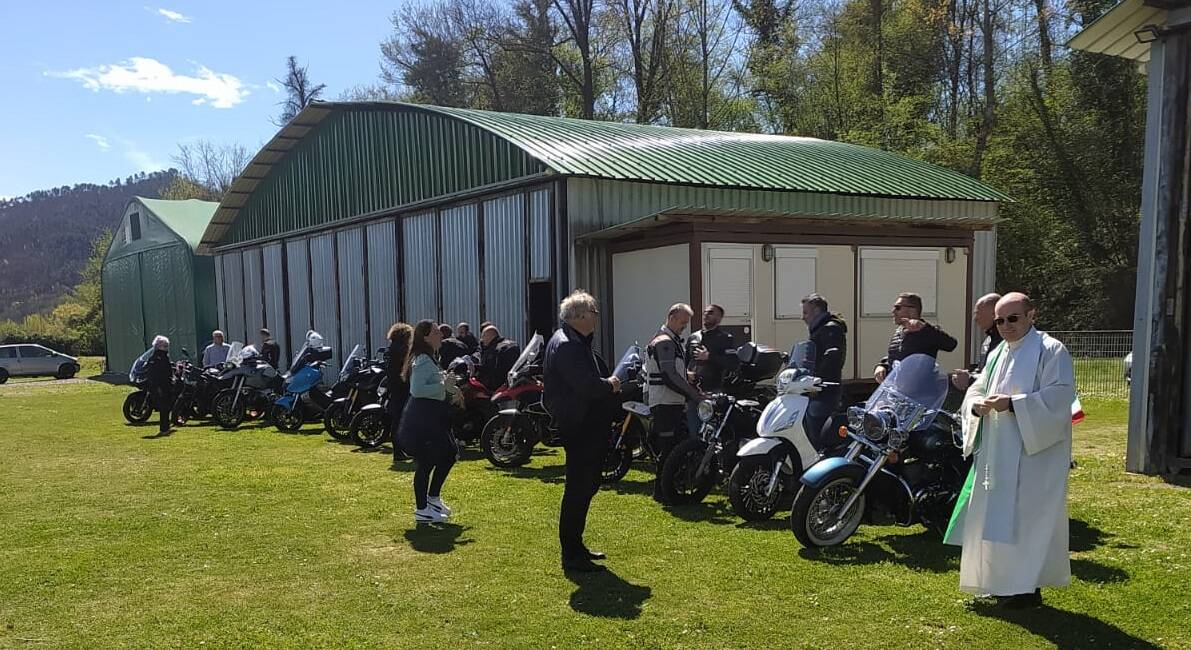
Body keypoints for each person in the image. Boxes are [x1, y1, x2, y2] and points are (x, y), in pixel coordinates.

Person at [944, 292, 1076, 608]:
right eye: (1000, 320)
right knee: (996, 517)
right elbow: (978, 387)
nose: (1005, 326)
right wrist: (976, 405)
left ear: (1032, 315)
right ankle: (1001, 582)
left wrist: (1014, 405)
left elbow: (1060, 396)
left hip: (1035, 453)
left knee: (1027, 518)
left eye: (1013, 318)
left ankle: (1027, 588)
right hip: (997, 450)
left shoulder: (1051, 350)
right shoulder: (998, 352)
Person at [543, 290, 621, 572]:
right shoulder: (567, 345)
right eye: (594, 312)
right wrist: (611, 384)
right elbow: (585, 386)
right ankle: (571, 553)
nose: (597, 317)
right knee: (578, 488)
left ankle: (576, 545)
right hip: (580, 425)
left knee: (586, 486)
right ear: (580, 316)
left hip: (585, 423)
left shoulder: (574, 341)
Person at [396, 320, 459, 524]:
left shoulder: (429, 357)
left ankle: (432, 500)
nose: (440, 335)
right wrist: (444, 385)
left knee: (448, 454)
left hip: (429, 419)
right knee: (428, 461)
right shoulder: (423, 358)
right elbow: (417, 389)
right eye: (436, 332)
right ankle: (422, 509)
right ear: (425, 336)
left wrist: (447, 385)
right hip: (420, 423)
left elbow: (431, 384)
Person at [645, 303, 704, 502]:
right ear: (671, 318)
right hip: (665, 403)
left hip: (669, 402)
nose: (684, 327)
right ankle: (662, 492)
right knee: (668, 449)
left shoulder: (669, 340)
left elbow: (670, 371)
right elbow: (668, 375)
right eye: (682, 322)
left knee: (672, 446)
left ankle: (666, 490)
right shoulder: (665, 342)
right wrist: (694, 395)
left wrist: (686, 375)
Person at [874, 292, 957, 383]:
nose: (893, 311)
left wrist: (924, 328)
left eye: (898, 308)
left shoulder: (928, 331)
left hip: (919, 392)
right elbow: (897, 357)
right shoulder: (899, 331)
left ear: (912, 310)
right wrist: (882, 366)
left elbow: (951, 344)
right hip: (897, 391)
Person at [800, 294, 847, 446]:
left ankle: (821, 457)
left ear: (817, 310)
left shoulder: (831, 329)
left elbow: (833, 356)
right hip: (815, 388)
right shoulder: (820, 329)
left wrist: (818, 379)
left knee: (817, 425)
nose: (803, 317)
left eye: (806, 312)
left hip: (825, 390)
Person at [951, 293, 1004, 391]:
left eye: (978, 313)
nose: (975, 318)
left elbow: (999, 378)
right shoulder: (988, 340)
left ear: (993, 314)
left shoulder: (1006, 342)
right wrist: (968, 376)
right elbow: (983, 371)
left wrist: (970, 379)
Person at [685, 304, 735, 392]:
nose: (706, 315)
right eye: (705, 312)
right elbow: (685, 360)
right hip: (692, 388)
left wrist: (709, 357)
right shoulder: (693, 337)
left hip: (713, 388)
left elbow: (732, 362)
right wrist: (686, 373)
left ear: (719, 318)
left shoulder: (726, 338)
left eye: (710, 313)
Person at [386, 323, 414, 470]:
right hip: (403, 388)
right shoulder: (403, 350)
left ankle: (399, 451)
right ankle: (402, 450)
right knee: (402, 420)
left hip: (395, 388)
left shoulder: (392, 349)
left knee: (396, 420)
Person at [144, 335, 174, 436]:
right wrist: (157, 387)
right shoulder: (157, 357)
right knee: (164, 408)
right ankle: (164, 429)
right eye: (164, 345)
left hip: (166, 384)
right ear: (158, 346)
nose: (166, 347)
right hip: (161, 386)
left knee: (166, 407)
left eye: (167, 345)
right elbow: (154, 374)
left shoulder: (163, 356)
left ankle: (166, 427)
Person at [478, 326, 521, 390]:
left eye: (483, 336)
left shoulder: (494, 349)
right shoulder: (512, 344)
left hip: (497, 388)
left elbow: (490, 370)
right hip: (513, 383)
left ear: (490, 336)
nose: (482, 339)